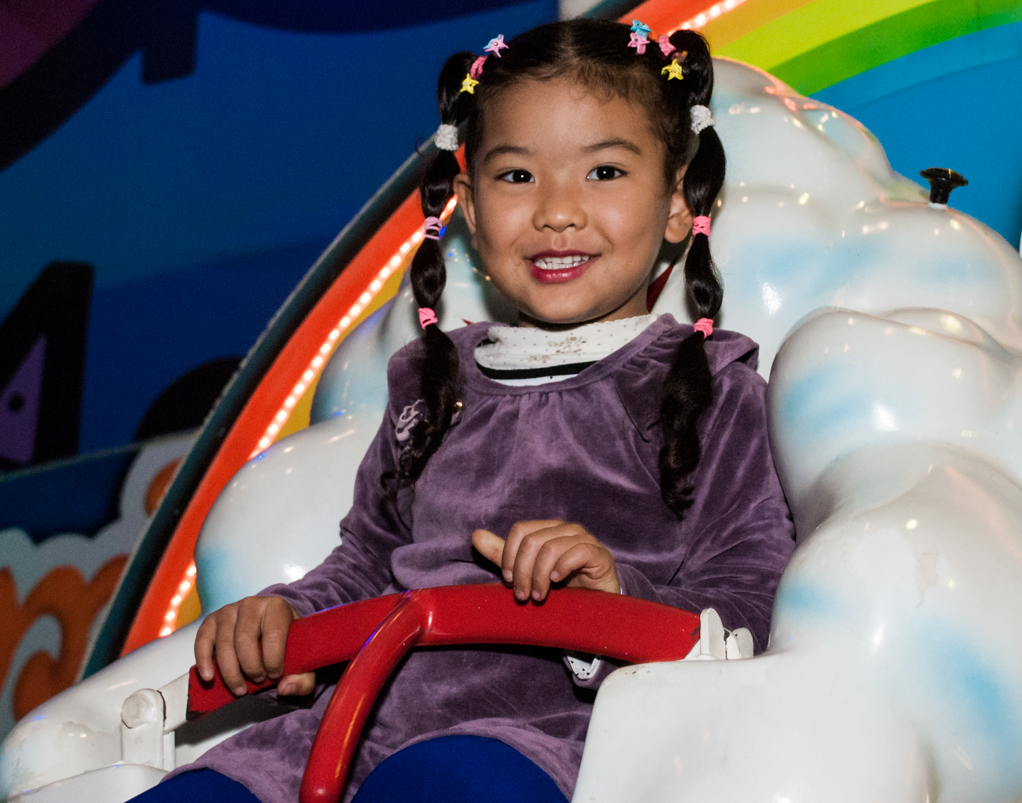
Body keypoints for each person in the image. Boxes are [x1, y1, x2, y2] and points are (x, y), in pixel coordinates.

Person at [134, 18, 795, 803]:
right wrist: (281, 616)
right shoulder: (428, 381)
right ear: (471, 211)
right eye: (517, 176)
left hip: (552, 738)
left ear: (682, 201)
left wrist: (615, 595)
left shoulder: (713, 386)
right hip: (343, 728)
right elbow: (366, 563)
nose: (556, 210)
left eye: (605, 172)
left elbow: (754, 598)